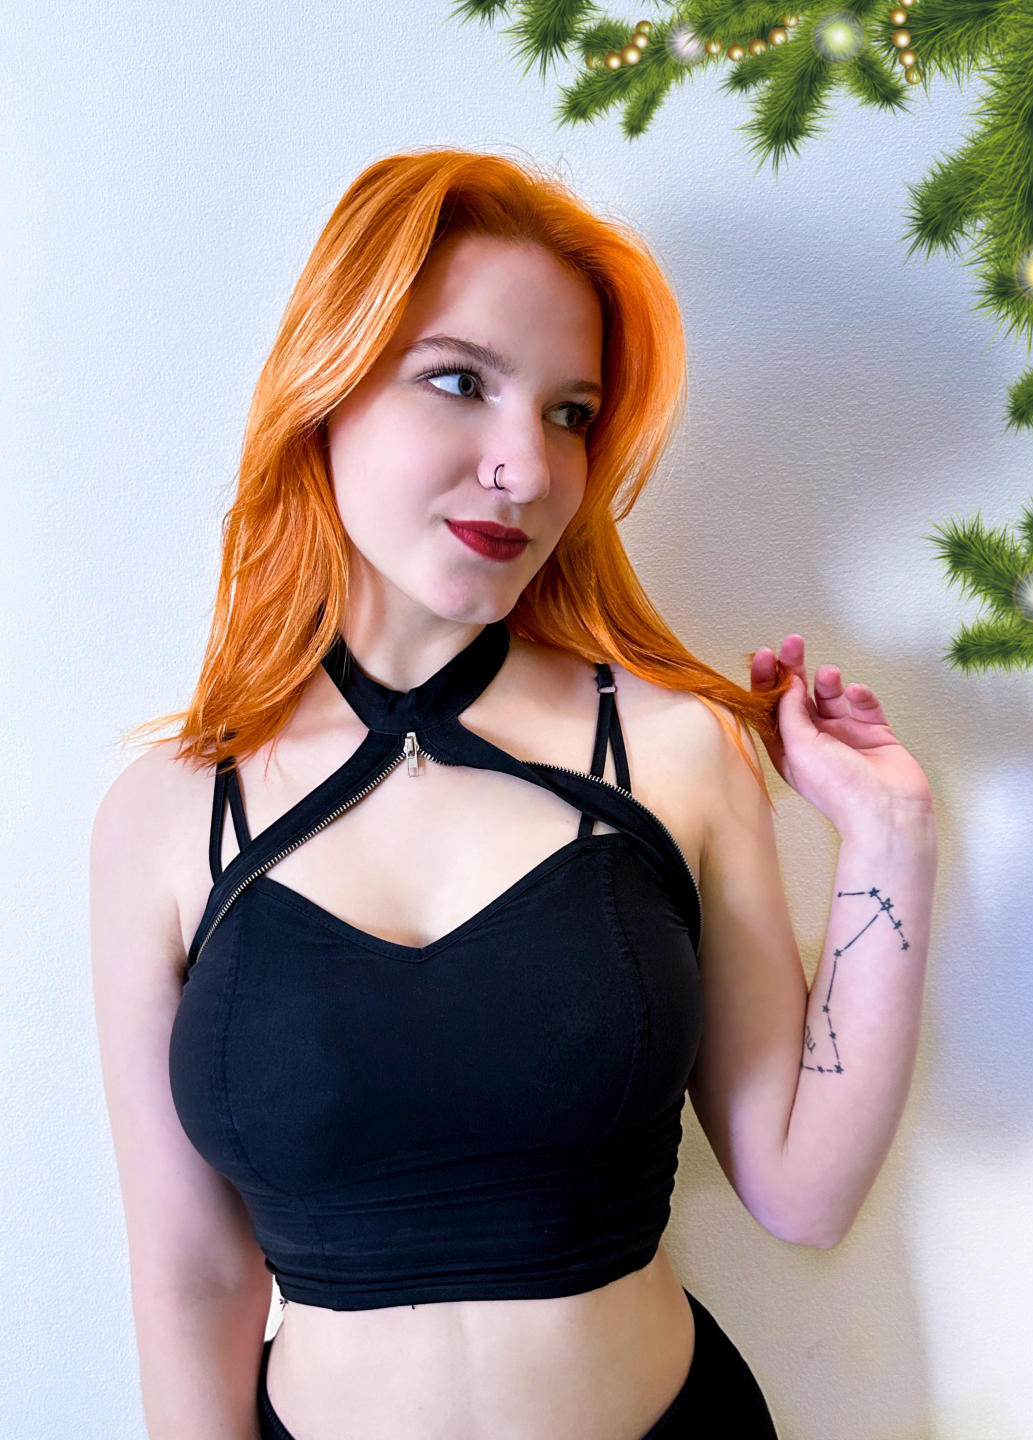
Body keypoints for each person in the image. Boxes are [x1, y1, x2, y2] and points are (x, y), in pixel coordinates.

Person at [91, 146, 936, 1440]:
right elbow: (193, 1280)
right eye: (460, 382)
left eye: (569, 414)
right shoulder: (167, 816)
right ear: (328, 383)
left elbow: (804, 1189)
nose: (528, 469)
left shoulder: (674, 751)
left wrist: (890, 833)